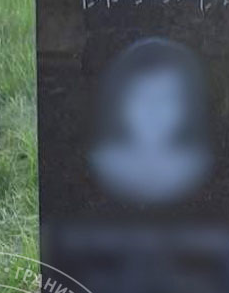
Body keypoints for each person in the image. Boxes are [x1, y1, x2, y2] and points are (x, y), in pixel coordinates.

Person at [88, 38, 212, 207]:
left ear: (185, 106)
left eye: (166, 99)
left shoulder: (196, 164)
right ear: (121, 104)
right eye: (142, 98)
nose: (153, 111)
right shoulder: (104, 161)